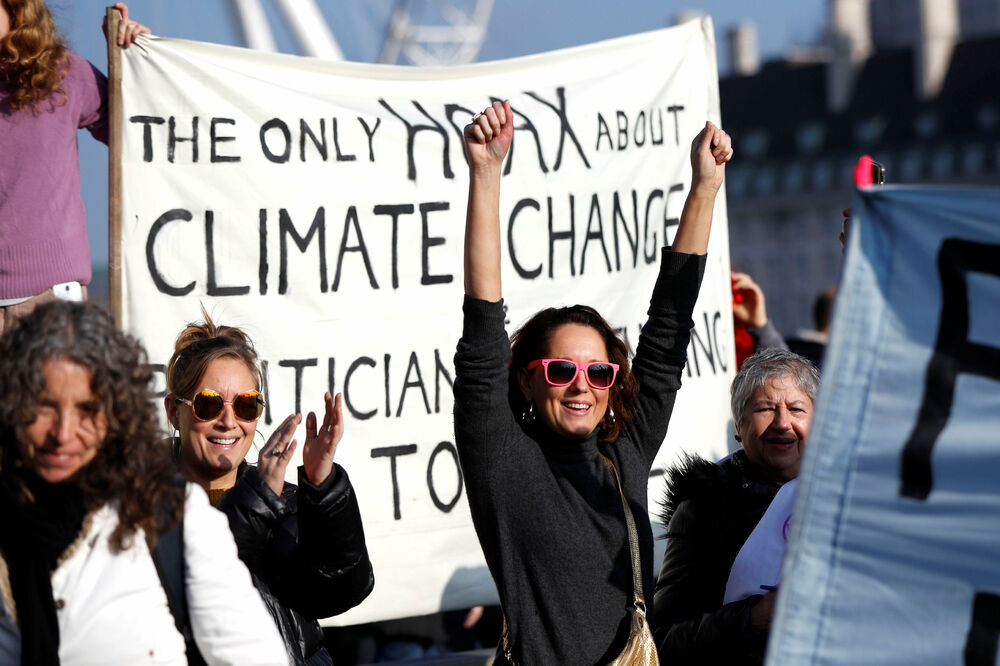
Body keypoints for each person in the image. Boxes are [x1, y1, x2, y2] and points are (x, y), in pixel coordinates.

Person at [453, 99, 732, 664]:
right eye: (561, 370)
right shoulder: (502, 460)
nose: (582, 385)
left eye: (599, 372)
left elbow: (668, 332)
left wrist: (704, 189)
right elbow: (483, 327)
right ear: (529, 382)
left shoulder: (623, 451)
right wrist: (485, 173)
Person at [0, 300, 288, 665]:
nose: (63, 432)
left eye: (87, 409)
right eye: (43, 407)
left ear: (116, 415)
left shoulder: (171, 517)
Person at [164, 314, 375, 665]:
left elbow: (342, 590)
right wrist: (258, 500)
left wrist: (323, 490)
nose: (229, 421)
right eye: (209, 403)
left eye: (246, 405)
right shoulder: (138, 509)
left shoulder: (282, 501)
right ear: (175, 411)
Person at [653, 347, 819, 665]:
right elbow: (665, 641)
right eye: (766, 409)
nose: (782, 423)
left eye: (796, 409)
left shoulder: (850, 499)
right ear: (739, 426)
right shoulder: (704, 509)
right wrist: (751, 618)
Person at [0, 1, 146, 332]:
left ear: (16, 8)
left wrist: (136, 59)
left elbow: (142, 131)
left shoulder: (63, 74)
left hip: (50, 307)